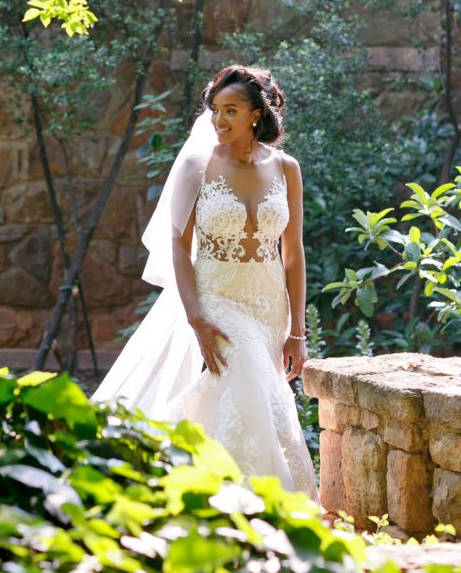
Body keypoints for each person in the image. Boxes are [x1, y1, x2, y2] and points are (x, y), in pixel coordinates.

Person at [93, 64, 318, 499]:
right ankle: (256, 503)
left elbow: (294, 252)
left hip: (269, 307)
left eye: (230, 110)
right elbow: (178, 244)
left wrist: (297, 332)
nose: (218, 120)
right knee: (254, 389)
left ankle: (194, 488)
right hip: (217, 299)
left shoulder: (287, 169)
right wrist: (195, 315)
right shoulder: (197, 166)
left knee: (241, 399)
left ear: (257, 114)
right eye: (214, 110)